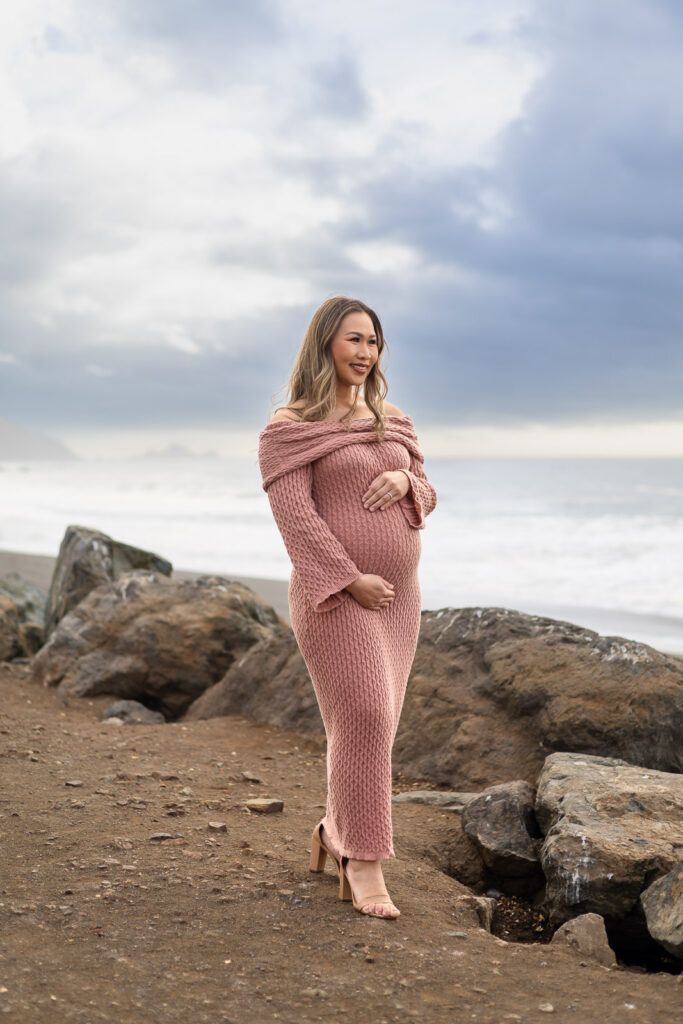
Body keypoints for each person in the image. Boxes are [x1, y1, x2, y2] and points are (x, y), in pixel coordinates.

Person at [257, 295, 437, 918]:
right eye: (354, 340)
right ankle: (363, 860)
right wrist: (350, 579)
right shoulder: (289, 427)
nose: (366, 353)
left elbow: (430, 492)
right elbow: (296, 521)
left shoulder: (393, 419)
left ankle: (335, 833)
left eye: (374, 342)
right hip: (334, 596)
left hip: (400, 602)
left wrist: (409, 483)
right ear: (325, 345)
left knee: (376, 726)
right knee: (362, 714)